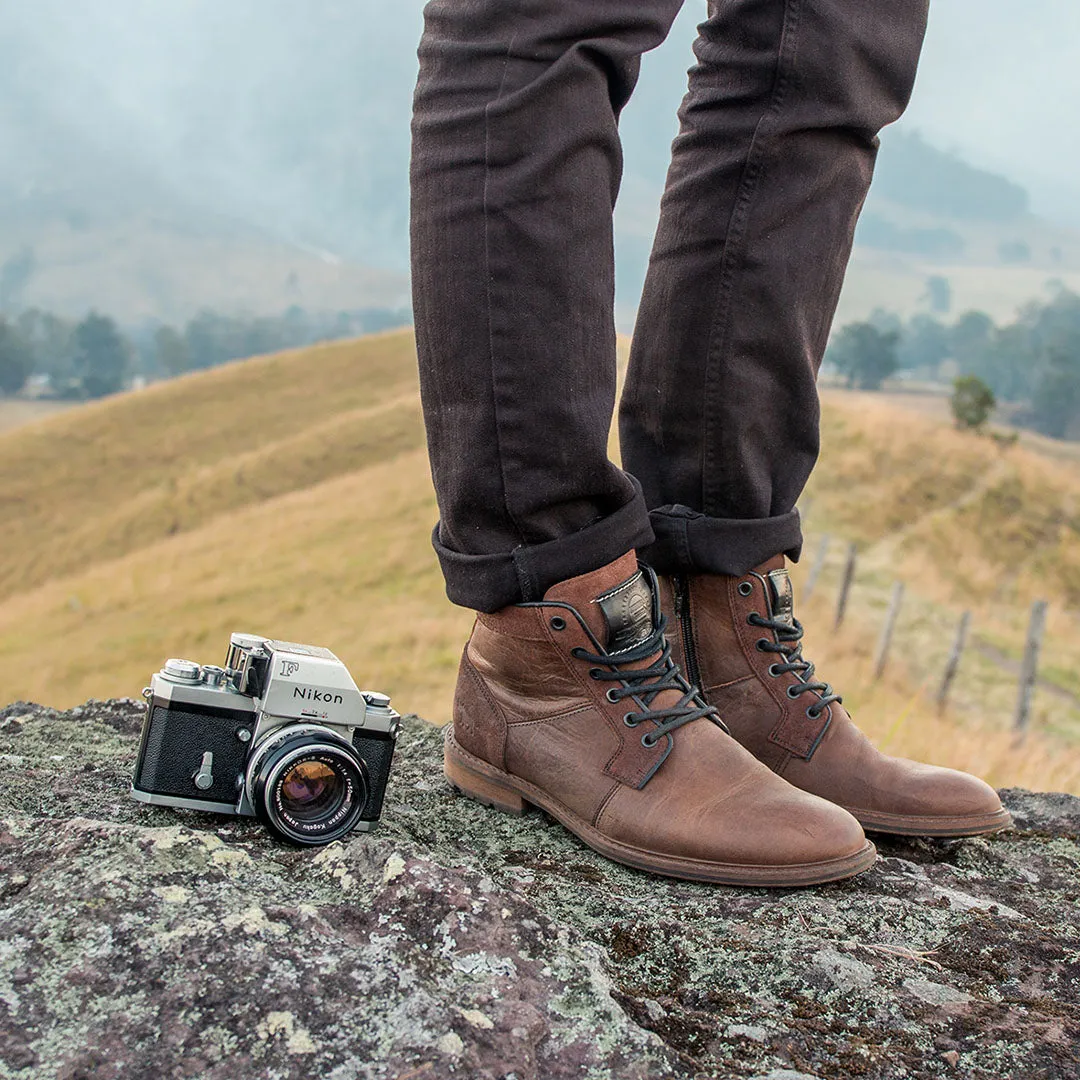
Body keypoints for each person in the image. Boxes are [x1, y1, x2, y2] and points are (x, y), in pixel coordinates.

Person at [409, 0, 1010, 887]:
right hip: (541, 601)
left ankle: (716, 611)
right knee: (553, 17)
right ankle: (545, 640)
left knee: (825, 47)